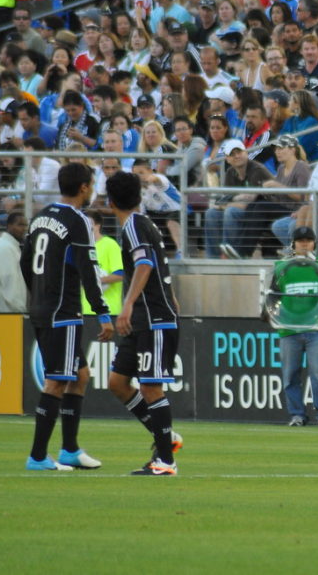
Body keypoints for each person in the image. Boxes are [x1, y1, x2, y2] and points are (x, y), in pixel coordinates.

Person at [20, 163, 114, 471]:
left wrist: (37, 293)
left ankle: (70, 449)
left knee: (80, 376)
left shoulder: (40, 216)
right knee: (57, 382)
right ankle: (37, 457)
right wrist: (103, 314)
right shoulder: (79, 221)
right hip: (63, 311)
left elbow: (24, 261)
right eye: (92, 183)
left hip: (41, 306)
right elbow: (89, 270)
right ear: (85, 188)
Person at [105, 171, 182, 476]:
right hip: (145, 319)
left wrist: (126, 305)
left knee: (151, 387)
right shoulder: (143, 223)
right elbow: (160, 264)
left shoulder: (135, 225)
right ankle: (166, 437)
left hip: (153, 318)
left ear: (110, 202)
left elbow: (146, 264)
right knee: (118, 383)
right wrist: (172, 297)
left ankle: (165, 461)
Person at [271, 226, 318, 427]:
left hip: (317, 327)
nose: (304, 244)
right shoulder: (281, 266)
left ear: (314, 243)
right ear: (293, 244)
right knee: (290, 376)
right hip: (289, 328)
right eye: (300, 240)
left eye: (308, 240)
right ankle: (296, 414)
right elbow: (272, 297)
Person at [0, 212, 28, 313]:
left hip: (5, 310)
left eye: (25, 225)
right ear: (9, 226)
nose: (24, 229)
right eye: (20, 225)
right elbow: (9, 280)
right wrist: (20, 309)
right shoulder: (5, 247)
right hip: (3, 311)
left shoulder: (11, 246)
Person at [80, 210, 124, 316]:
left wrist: (94, 281)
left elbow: (121, 274)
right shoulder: (80, 247)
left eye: (89, 224)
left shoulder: (110, 245)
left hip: (108, 310)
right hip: (84, 311)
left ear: (97, 226)